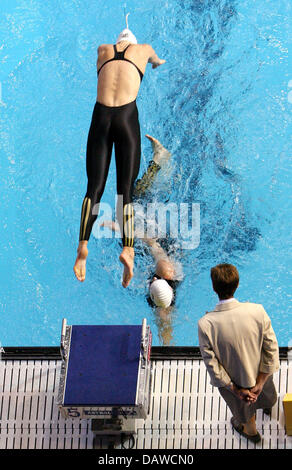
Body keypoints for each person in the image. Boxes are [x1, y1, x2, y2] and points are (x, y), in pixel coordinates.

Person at [73, 17, 165, 287]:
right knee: (125, 190)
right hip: (126, 118)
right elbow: (157, 61)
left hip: (100, 117)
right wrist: (155, 62)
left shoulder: (102, 50)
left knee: (93, 188)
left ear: (116, 41)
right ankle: (128, 249)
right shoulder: (144, 48)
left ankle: (82, 246)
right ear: (134, 43)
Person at [102, 134, 183, 345]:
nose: (152, 281)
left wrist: (166, 348)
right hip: (159, 242)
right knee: (132, 199)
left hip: (156, 254)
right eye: (155, 281)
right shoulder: (165, 269)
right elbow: (150, 241)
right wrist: (119, 227)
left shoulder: (162, 305)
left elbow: (165, 330)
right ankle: (160, 159)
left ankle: (160, 161)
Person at [198, 263, 279, 444]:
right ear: (237, 284)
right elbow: (272, 348)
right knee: (267, 395)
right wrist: (260, 381)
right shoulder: (257, 310)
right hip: (261, 374)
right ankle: (267, 406)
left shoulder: (206, 324)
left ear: (214, 288)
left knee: (243, 410)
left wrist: (236, 390)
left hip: (236, 384)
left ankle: (251, 432)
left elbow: (212, 365)